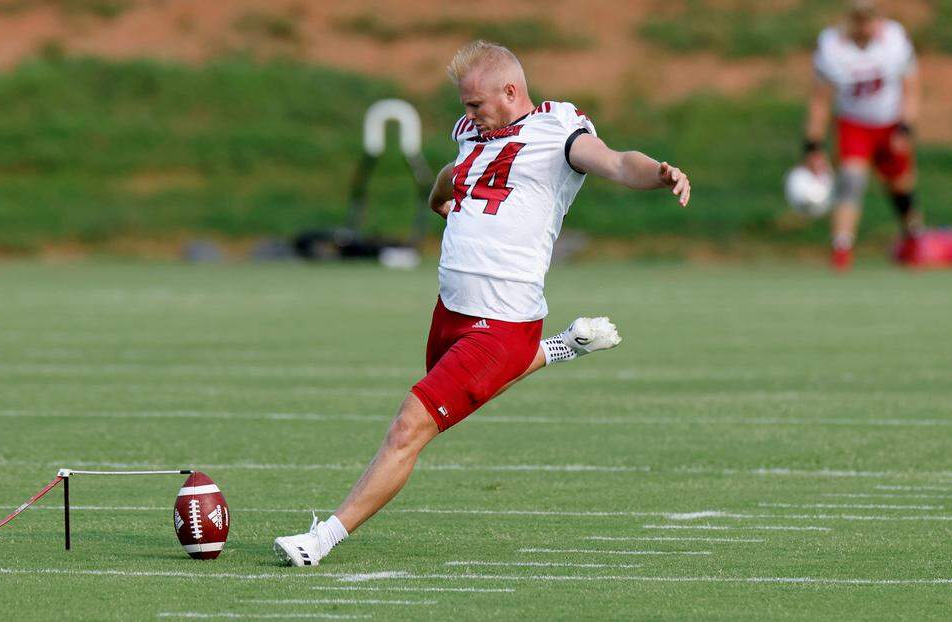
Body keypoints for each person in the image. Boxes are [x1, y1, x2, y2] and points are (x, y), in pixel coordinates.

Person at [272, 40, 691, 567]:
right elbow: (458, 169)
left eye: (475, 104)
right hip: (452, 308)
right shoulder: (475, 131)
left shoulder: (558, 131)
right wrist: (437, 196)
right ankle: (560, 347)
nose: (467, 115)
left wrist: (658, 173)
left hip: (504, 320)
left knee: (409, 428)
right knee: (443, 409)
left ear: (511, 92)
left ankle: (322, 539)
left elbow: (616, 162)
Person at [803, 0, 921, 271]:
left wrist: (906, 127)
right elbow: (820, 100)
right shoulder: (832, 46)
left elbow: (911, 88)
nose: (866, 26)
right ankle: (841, 248)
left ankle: (913, 238)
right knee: (851, 180)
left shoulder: (895, 40)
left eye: (870, 19)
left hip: (890, 122)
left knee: (900, 185)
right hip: (854, 123)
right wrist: (812, 144)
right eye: (860, 19)